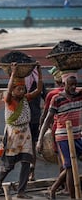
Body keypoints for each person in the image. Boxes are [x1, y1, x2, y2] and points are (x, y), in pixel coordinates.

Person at [0, 63, 43, 199]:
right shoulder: (9, 100)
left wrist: (39, 72)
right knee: (8, 165)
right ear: (13, 90)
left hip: (25, 134)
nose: (21, 91)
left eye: (23, 89)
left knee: (27, 162)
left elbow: (38, 90)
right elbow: (8, 91)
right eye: (19, 89)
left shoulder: (26, 98)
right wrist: (13, 73)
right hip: (12, 135)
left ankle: (22, 191)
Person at [37, 71, 82, 199]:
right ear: (64, 83)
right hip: (63, 136)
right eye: (70, 84)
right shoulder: (56, 98)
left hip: (77, 135)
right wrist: (40, 140)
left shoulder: (79, 95)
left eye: (75, 84)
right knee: (69, 167)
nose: (73, 87)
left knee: (71, 165)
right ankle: (73, 196)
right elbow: (47, 119)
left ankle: (54, 187)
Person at [24, 68, 46, 181]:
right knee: (29, 147)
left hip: (33, 119)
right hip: (24, 119)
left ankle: (31, 172)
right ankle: (29, 172)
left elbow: (46, 98)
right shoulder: (23, 82)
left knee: (30, 146)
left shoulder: (37, 82)